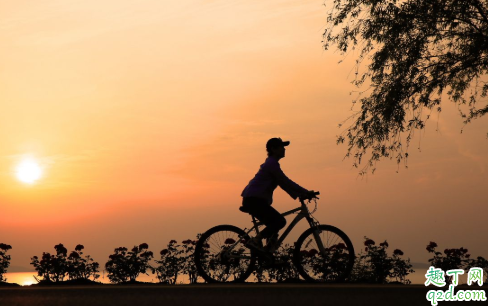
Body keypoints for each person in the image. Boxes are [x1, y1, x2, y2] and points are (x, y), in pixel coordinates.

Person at [241, 137, 315, 253]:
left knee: (274, 226)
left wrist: (299, 194)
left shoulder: (272, 164)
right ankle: (255, 240)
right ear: (273, 149)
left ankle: (267, 253)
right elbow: (285, 181)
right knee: (280, 222)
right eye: (281, 147)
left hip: (253, 199)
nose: (284, 149)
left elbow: (283, 184)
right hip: (254, 200)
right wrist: (305, 192)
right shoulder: (272, 164)